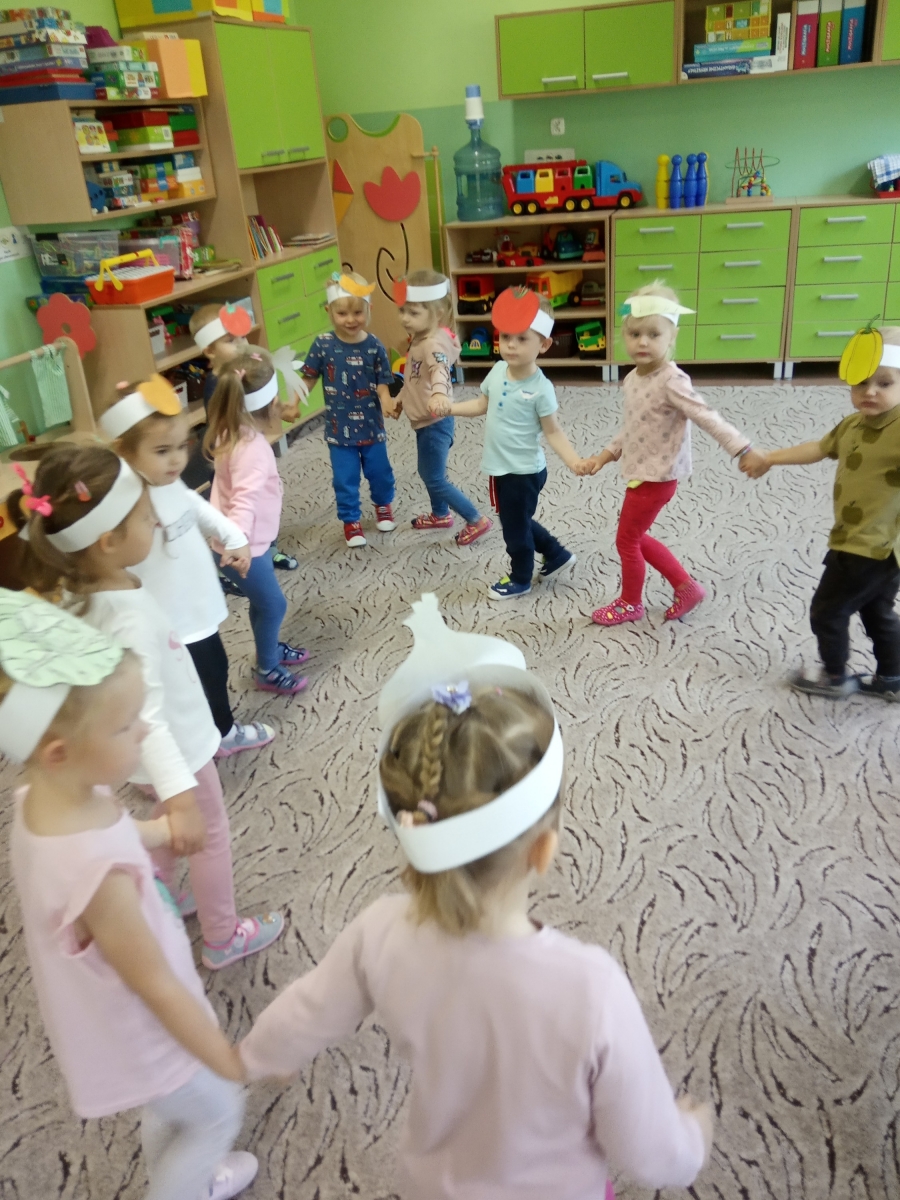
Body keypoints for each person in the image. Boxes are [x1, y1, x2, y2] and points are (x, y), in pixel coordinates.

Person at [238, 593, 713, 1200]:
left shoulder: (377, 933)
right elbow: (649, 1149)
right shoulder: (589, 988)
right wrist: (692, 1136)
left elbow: (307, 1011)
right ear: (544, 851)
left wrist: (258, 1055)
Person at [1, 588, 257, 1200]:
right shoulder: (99, 876)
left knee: (172, 1110)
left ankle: (184, 1174)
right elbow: (155, 985)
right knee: (216, 1111)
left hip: (123, 1023)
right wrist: (224, 1055)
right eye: (124, 725)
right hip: (146, 1031)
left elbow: (111, 831)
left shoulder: (49, 797)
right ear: (58, 752)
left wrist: (158, 833)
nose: (144, 729)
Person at [7, 446, 285, 971]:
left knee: (167, 819)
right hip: (176, 747)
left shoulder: (89, 586)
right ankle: (223, 935)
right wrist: (181, 794)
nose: (156, 519)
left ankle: (163, 888)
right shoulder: (125, 614)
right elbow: (149, 713)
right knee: (208, 831)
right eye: (143, 515)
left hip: (148, 750)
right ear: (108, 541)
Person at [102, 376, 275, 758]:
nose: (177, 460)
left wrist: (232, 535)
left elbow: (194, 506)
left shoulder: (165, 481)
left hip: (194, 602)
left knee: (211, 669)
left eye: (182, 446)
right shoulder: (123, 499)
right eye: (162, 450)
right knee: (197, 677)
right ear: (123, 450)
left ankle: (204, 732)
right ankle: (220, 735)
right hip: (169, 617)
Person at [579, 282, 766, 626]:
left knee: (626, 541)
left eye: (654, 334)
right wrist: (603, 456)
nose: (643, 342)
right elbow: (633, 427)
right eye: (635, 334)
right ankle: (686, 587)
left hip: (658, 476)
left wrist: (742, 448)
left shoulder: (671, 380)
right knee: (635, 537)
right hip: (641, 471)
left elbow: (706, 416)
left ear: (672, 335)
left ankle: (630, 603)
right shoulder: (633, 379)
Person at [742, 324, 900, 699]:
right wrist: (769, 457)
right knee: (876, 611)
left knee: (828, 609)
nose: (870, 391)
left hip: (869, 545)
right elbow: (819, 448)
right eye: (861, 382)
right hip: (871, 544)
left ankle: (834, 677)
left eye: (885, 383)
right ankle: (893, 678)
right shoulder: (852, 425)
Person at [437, 286, 584, 599]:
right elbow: (482, 404)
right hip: (501, 467)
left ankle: (520, 578)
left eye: (522, 338)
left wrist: (573, 460)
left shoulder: (541, 389)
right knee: (516, 520)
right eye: (506, 337)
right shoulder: (498, 370)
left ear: (544, 344)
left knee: (514, 529)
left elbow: (553, 431)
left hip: (524, 472)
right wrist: (451, 408)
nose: (511, 345)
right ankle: (556, 554)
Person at [204, 351, 309, 696]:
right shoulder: (253, 450)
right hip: (245, 547)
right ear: (270, 404)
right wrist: (239, 545)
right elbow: (244, 502)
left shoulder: (232, 431)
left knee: (261, 603)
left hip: (239, 542)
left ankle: (269, 647)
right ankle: (267, 669)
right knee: (274, 604)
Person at [191, 302, 299, 574]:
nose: (241, 345)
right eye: (231, 340)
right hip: (232, 462)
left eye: (243, 337)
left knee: (263, 504)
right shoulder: (220, 384)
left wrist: (279, 409)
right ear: (209, 350)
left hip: (250, 455)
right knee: (239, 509)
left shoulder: (244, 374)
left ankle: (267, 550)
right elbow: (232, 421)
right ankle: (237, 558)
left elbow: (257, 409)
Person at [299, 271, 398, 548]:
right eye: (342, 313)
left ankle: (383, 505)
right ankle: (351, 520)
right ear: (329, 311)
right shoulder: (323, 344)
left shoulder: (374, 345)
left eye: (358, 312)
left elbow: (382, 381)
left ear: (369, 309)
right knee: (345, 478)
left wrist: (387, 401)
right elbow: (308, 377)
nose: (351, 319)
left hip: (372, 427)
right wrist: (293, 403)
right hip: (338, 430)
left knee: (380, 472)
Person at [395, 269, 492, 546]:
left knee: (433, 477)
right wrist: (401, 399)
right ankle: (440, 514)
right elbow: (415, 377)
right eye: (402, 311)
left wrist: (439, 394)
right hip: (425, 421)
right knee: (429, 472)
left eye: (413, 313)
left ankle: (475, 519)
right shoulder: (420, 338)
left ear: (437, 313)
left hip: (435, 423)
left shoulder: (433, 344)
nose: (405, 318)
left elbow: (439, 370)